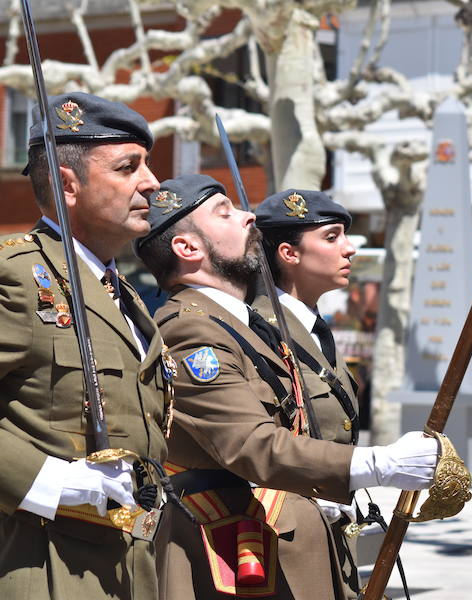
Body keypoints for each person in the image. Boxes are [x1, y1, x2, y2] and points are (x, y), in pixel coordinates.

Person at [133, 174, 440, 600]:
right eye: (225, 212)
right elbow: (250, 444)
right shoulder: (191, 329)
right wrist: (378, 463)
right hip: (232, 557)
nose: (248, 216)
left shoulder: (245, 324)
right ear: (188, 249)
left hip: (285, 543)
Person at [0, 92, 170, 600]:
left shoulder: (125, 296)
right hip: (49, 569)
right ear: (68, 184)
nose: (153, 183)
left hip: (130, 569)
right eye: (127, 167)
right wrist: (47, 482)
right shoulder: (18, 278)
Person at [251, 189, 363, 599]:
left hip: (332, 534)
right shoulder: (258, 331)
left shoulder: (314, 328)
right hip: (284, 543)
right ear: (289, 253)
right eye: (332, 237)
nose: (349, 249)